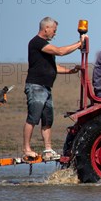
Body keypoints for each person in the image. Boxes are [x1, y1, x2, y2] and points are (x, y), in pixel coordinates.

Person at [23, 17, 87, 161]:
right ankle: (26, 149)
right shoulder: (37, 42)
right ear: (46, 28)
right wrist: (79, 44)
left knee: (47, 120)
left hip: (46, 88)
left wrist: (70, 71)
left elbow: (52, 67)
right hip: (36, 86)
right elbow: (60, 51)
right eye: (54, 30)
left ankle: (48, 149)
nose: (55, 33)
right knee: (33, 118)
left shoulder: (45, 46)